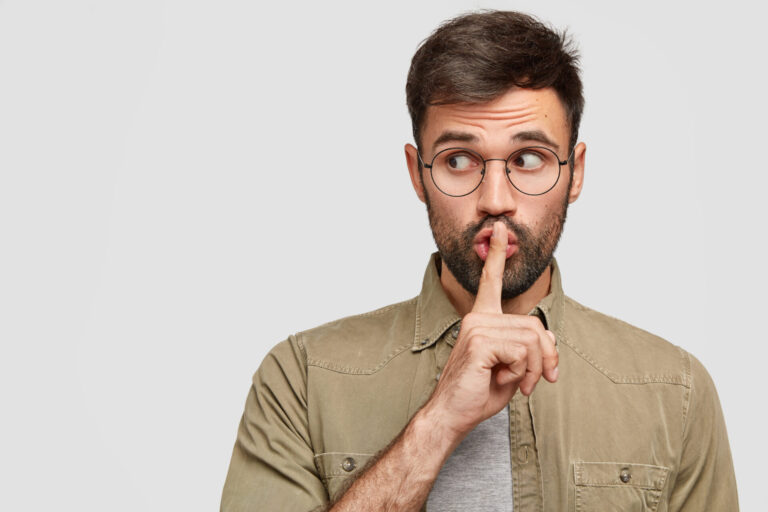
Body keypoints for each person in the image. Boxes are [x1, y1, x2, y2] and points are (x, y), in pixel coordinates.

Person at [221, 10, 738, 511]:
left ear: (575, 172)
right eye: (459, 160)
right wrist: (439, 421)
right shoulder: (302, 380)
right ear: (417, 173)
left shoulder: (675, 392)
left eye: (528, 158)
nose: (495, 199)